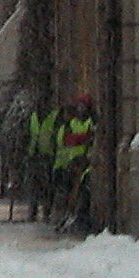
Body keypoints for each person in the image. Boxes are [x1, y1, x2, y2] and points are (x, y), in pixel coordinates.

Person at [54, 95, 97, 233]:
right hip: (72, 163)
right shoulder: (72, 123)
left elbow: (93, 137)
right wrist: (81, 138)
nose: (81, 109)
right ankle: (66, 215)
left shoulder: (91, 122)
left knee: (83, 193)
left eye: (83, 106)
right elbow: (66, 140)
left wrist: (82, 139)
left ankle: (80, 218)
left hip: (87, 163)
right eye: (79, 106)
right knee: (68, 192)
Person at [26, 95, 61, 222]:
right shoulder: (33, 117)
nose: (40, 107)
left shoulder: (54, 117)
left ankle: (47, 211)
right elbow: (29, 134)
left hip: (49, 156)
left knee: (47, 186)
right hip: (34, 156)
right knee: (33, 185)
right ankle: (33, 211)